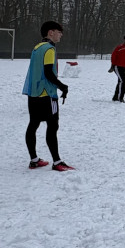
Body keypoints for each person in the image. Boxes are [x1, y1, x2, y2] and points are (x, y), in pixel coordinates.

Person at [23, 21, 74, 171]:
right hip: (47, 94)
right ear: (50, 32)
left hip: (33, 93)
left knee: (33, 124)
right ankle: (57, 162)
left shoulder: (37, 47)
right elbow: (48, 72)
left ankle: (34, 160)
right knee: (53, 126)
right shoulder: (49, 49)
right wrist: (62, 86)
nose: (61, 35)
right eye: (59, 32)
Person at [109, 34, 125, 101]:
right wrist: (112, 66)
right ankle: (120, 98)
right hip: (118, 66)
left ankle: (115, 97)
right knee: (124, 81)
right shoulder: (120, 47)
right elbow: (113, 56)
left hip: (124, 67)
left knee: (120, 81)